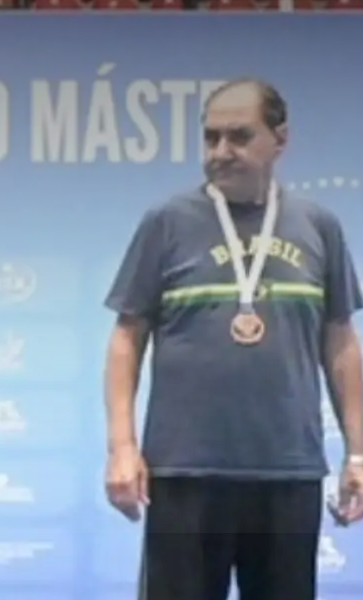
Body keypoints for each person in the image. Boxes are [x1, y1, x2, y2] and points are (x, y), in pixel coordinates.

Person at [102, 78, 363, 600]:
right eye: (211, 137)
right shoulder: (166, 223)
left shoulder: (318, 225)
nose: (220, 151)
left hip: (287, 471)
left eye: (239, 136)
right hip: (184, 472)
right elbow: (126, 339)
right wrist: (122, 448)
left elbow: (340, 342)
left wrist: (358, 453)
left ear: (280, 139)